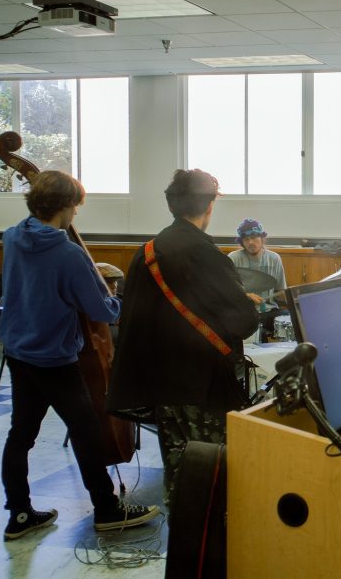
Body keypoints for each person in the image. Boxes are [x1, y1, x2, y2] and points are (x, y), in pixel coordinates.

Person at [0, 170, 158, 541]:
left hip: (18, 351)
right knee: (87, 431)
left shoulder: (11, 237)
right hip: (54, 358)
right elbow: (101, 311)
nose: (76, 215)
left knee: (20, 434)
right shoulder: (68, 254)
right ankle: (107, 510)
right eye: (75, 207)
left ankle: (19, 514)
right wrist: (118, 302)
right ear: (66, 206)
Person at [107, 169, 258, 506]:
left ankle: (184, 547)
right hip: (203, 387)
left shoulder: (146, 252)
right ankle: (211, 551)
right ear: (209, 205)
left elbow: (133, 320)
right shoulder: (205, 253)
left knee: (179, 475)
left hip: (162, 388)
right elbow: (243, 321)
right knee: (212, 476)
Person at [227, 218, 287, 339]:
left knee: (289, 318)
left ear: (262, 238)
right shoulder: (233, 258)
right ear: (242, 242)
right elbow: (227, 292)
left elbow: (281, 291)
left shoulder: (274, 258)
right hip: (244, 312)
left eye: (254, 237)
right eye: (246, 239)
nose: (250, 242)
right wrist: (246, 296)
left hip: (269, 311)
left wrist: (290, 297)